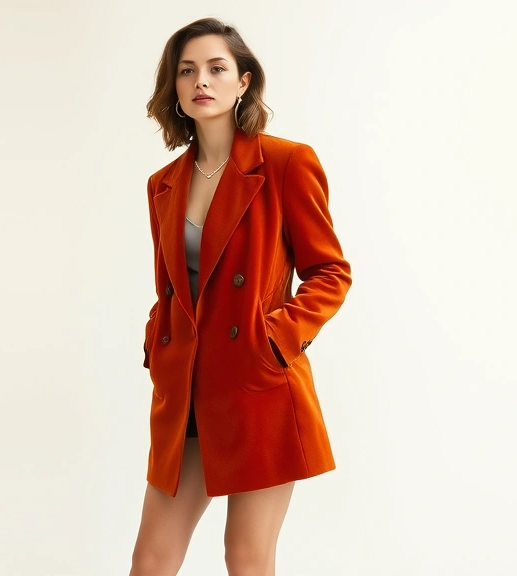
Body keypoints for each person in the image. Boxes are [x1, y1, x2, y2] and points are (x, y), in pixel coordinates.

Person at [130, 17, 352, 576]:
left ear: (243, 82)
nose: (200, 80)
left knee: (246, 558)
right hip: (186, 391)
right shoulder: (163, 183)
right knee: (152, 559)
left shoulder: (284, 162)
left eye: (216, 68)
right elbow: (170, 287)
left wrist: (274, 337)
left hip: (257, 387)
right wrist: (159, 343)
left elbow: (330, 271)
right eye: (187, 71)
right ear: (174, 88)